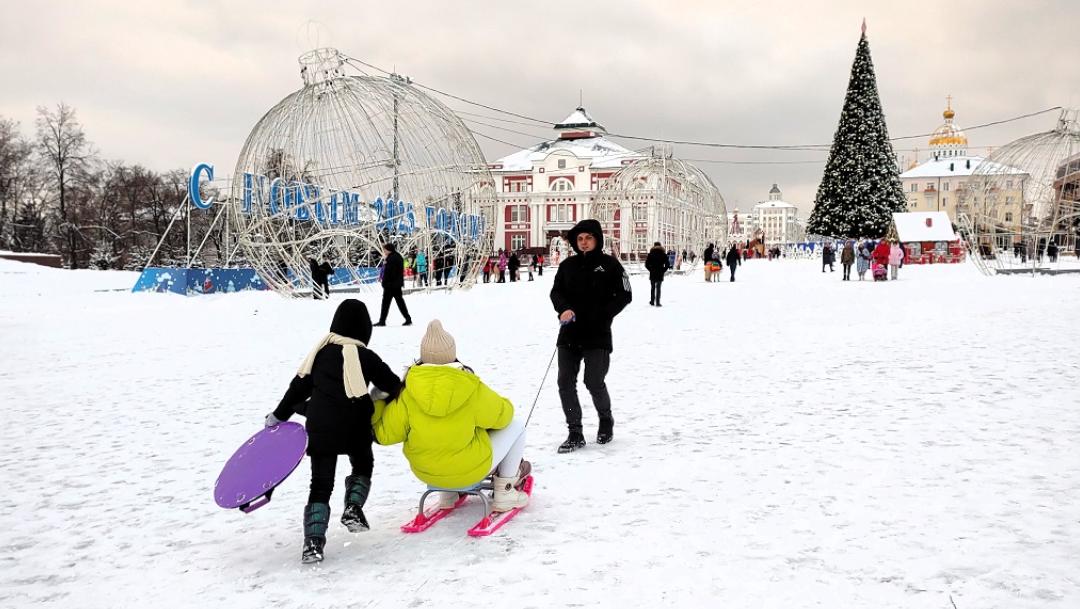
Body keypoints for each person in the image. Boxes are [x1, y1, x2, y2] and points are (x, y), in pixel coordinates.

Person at [265, 299, 402, 564]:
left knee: (320, 485)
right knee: (363, 464)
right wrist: (374, 395)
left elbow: (298, 388)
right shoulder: (366, 356)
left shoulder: (319, 355)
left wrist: (277, 416)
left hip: (321, 427)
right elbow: (393, 385)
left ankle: (313, 544)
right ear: (364, 329)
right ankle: (353, 507)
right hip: (355, 425)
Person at [372, 320, 531, 513]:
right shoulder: (469, 386)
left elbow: (384, 435)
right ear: (453, 355)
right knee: (517, 426)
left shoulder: (406, 392)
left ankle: (448, 494)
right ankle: (504, 492)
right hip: (470, 469)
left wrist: (378, 402)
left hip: (427, 473)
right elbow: (504, 417)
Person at [550, 219, 633, 453]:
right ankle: (575, 432)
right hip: (569, 333)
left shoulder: (610, 265)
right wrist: (563, 308)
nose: (584, 242)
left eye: (588, 238)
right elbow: (556, 291)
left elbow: (625, 294)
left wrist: (604, 314)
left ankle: (606, 420)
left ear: (597, 239)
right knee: (565, 382)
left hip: (597, 335)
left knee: (593, 381)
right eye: (580, 239)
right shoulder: (567, 266)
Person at [375, 242, 412, 327]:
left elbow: (389, 273)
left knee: (386, 303)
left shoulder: (391, 258)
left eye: (385, 249)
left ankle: (382, 321)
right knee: (399, 302)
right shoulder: (397, 256)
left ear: (388, 250)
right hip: (396, 284)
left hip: (390, 285)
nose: (384, 251)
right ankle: (408, 318)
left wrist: (385, 282)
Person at [644, 241, 670, 306]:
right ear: (660, 246)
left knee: (652, 288)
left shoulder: (650, 254)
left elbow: (646, 264)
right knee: (658, 288)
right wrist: (663, 270)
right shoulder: (663, 254)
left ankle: (652, 301)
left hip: (652, 272)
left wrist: (650, 269)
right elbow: (667, 264)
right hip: (660, 273)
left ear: (654, 246)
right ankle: (658, 302)